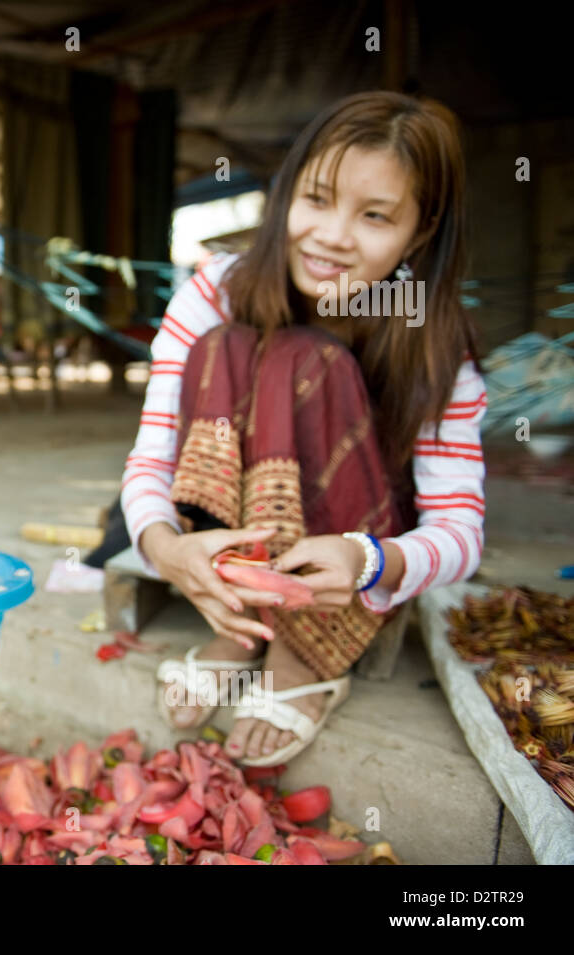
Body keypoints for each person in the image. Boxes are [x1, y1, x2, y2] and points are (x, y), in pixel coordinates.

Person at [123, 91, 485, 766]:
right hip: (236, 527)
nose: (332, 236)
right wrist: (168, 550)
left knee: (303, 358)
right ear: (286, 193)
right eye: (316, 199)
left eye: (375, 216)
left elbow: (462, 532)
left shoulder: (436, 341)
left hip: (354, 536)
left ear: (421, 230)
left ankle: (300, 652)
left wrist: (370, 560)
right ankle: (239, 623)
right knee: (230, 347)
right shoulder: (216, 289)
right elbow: (149, 460)